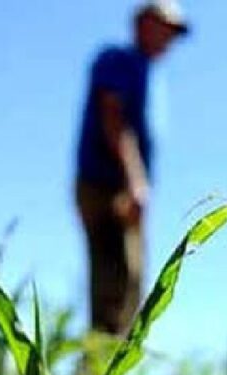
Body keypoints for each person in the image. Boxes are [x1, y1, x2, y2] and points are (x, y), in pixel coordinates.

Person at [74, 1, 190, 334]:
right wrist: (135, 181)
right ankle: (97, 373)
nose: (169, 38)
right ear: (142, 23)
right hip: (106, 185)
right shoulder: (118, 60)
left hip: (124, 187)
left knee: (131, 276)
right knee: (116, 273)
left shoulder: (149, 75)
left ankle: (104, 369)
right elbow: (113, 119)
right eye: (164, 28)